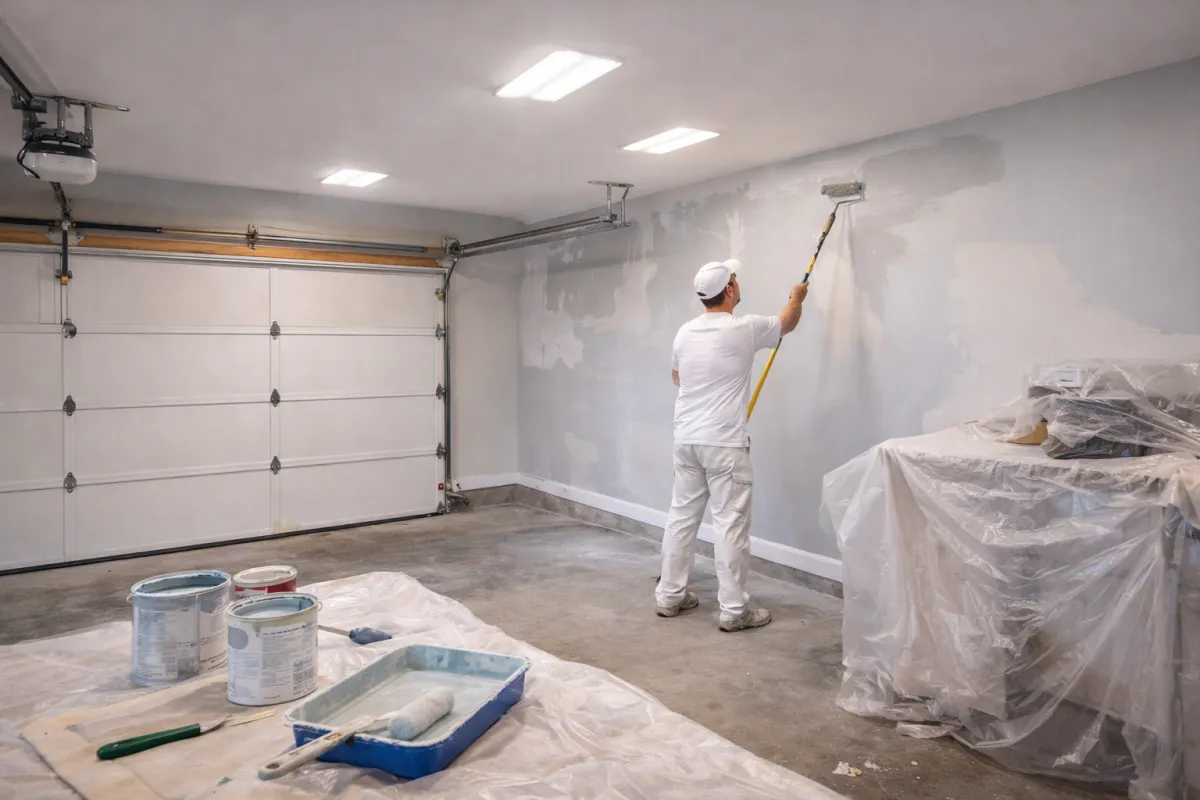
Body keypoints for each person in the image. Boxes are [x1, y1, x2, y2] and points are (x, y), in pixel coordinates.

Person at [655, 258, 807, 632]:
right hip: (724, 445)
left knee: (681, 519)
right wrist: (797, 296)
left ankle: (670, 597)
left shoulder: (684, 332)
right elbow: (786, 322)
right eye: (735, 279)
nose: (738, 283)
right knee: (730, 526)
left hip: (686, 439)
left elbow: (679, 378)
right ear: (728, 291)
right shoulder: (743, 326)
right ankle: (735, 611)